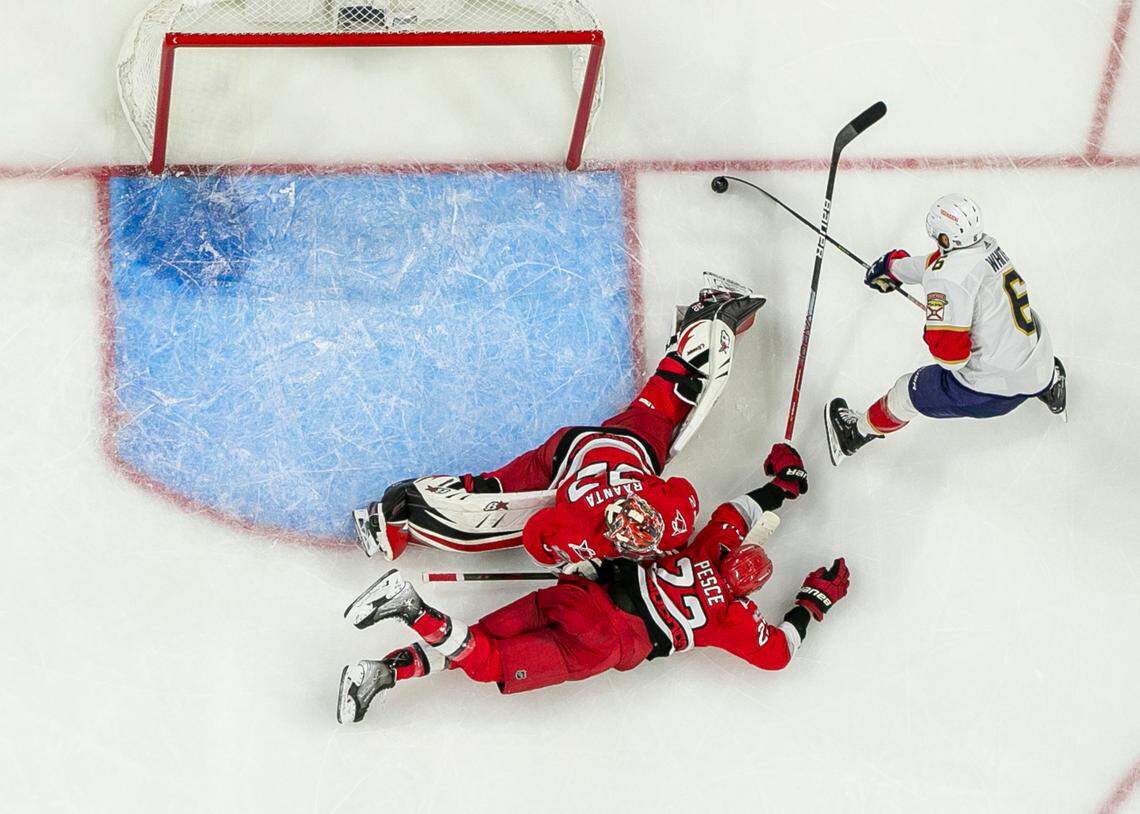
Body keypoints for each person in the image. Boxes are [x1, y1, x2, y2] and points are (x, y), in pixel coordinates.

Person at [352, 282, 806, 572]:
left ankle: (708, 317)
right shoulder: (594, 524)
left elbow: (682, 490)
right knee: (491, 502)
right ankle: (404, 508)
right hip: (564, 458)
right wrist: (579, 562)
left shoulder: (672, 518)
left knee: (669, 399)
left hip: (611, 447)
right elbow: (534, 537)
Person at [336, 472, 849, 723]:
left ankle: (380, 673)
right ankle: (411, 608)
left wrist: (781, 486)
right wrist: (813, 601)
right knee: (487, 662)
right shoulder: (734, 616)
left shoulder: (707, 550)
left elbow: (737, 513)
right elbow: (779, 653)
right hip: (603, 642)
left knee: (478, 639)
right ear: (751, 590)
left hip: (580, 594)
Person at [825, 194, 1067, 465]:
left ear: (944, 237)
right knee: (1008, 323)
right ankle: (1047, 385)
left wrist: (935, 324)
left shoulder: (948, 278)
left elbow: (951, 358)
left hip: (993, 391)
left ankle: (855, 434)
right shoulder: (987, 247)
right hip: (1040, 362)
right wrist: (894, 268)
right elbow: (941, 265)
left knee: (906, 391)